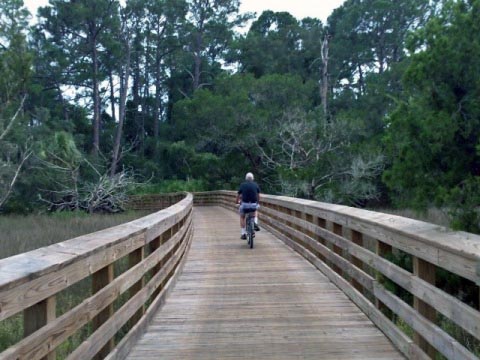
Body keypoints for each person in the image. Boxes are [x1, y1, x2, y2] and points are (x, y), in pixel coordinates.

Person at [236, 172, 260, 240]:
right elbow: (258, 195)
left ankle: (243, 233)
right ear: (253, 179)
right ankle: (255, 223)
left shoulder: (242, 185)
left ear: (246, 179)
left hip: (244, 205)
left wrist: (236, 202)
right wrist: (258, 203)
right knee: (255, 211)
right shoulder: (255, 185)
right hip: (253, 205)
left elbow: (238, 195)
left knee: (242, 216)